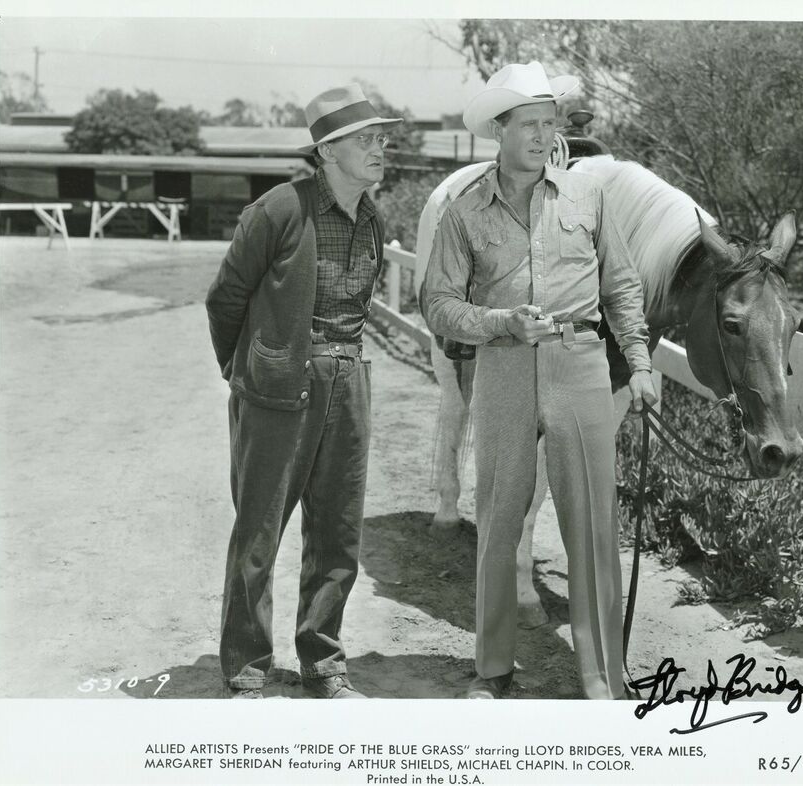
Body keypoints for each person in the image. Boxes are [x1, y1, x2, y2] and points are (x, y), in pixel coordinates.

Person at [422, 61, 658, 700]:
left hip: (580, 361)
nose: (540, 135)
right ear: (499, 129)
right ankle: (493, 669)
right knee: (500, 515)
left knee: (591, 519)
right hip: (502, 366)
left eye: (548, 123)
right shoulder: (465, 212)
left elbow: (622, 286)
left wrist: (637, 363)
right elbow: (437, 303)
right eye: (527, 123)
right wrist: (499, 322)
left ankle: (600, 673)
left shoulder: (589, 198)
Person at [205, 83, 401, 699]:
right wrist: (248, 371)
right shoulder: (280, 209)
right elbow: (226, 297)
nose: (380, 148)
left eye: (381, 138)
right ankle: (246, 671)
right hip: (281, 388)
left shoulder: (372, 215)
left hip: (350, 377)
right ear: (327, 151)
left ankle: (323, 662)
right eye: (366, 140)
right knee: (259, 531)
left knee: (338, 533)